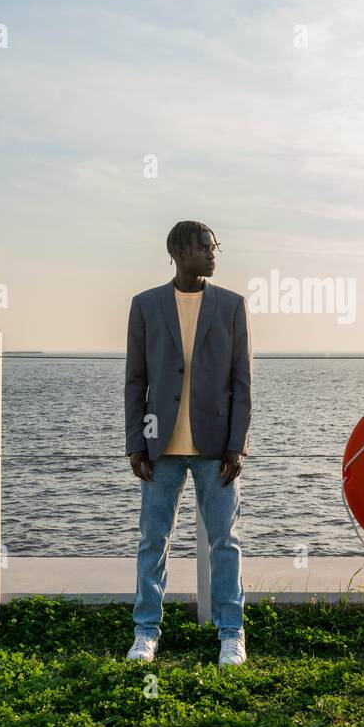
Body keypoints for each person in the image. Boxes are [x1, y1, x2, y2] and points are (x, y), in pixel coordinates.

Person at [124, 221, 252, 666]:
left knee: (225, 542)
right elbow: (135, 380)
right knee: (152, 541)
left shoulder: (233, 306)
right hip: (160, 448)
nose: (213, 253)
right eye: (204, 246)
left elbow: (242, 381)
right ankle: (145, 633)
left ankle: (231, 634)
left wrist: (238, 444)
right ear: (179, 251)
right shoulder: (145, 306)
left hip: (216, 448)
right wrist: (135, 443)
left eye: (216, 245)